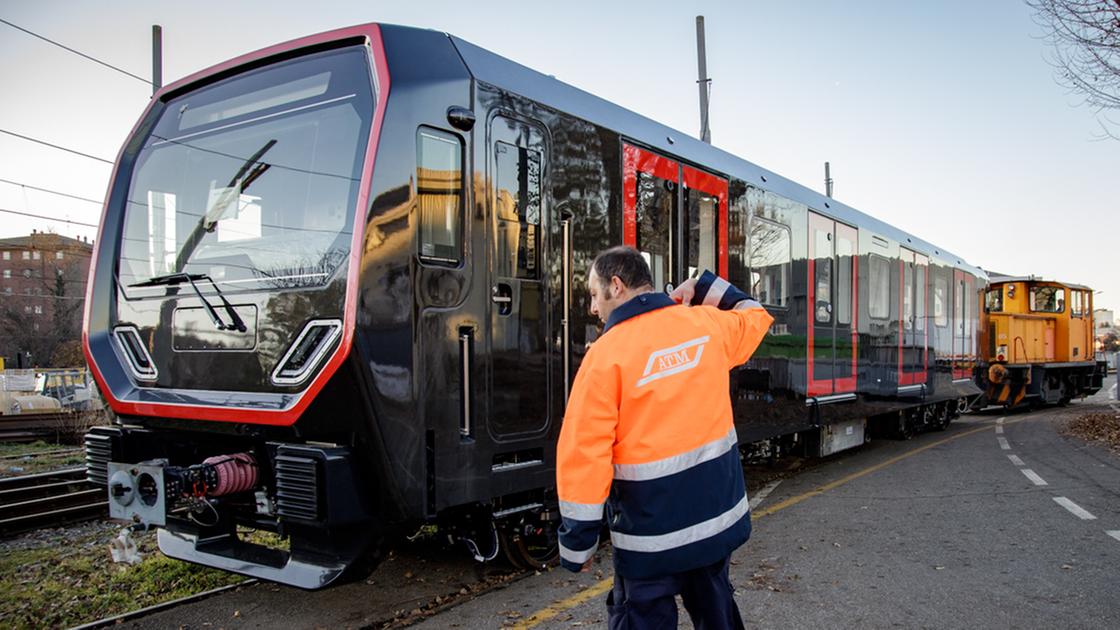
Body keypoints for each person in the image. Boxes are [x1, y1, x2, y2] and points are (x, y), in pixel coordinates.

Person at [556, 246, 774, 629]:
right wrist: (704, 285)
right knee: (718, 615)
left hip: (650, 542)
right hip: (713, 529)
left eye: (593, 294)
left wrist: (578, 544)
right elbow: (755, 315)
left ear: (616, 286)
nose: (593, 307)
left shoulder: (605, 357)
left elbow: (584, 453)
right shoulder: (705, 326)